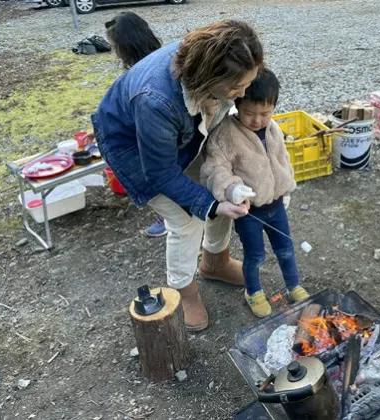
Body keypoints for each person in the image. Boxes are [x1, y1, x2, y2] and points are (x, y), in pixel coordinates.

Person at [91, 20, 264, 331]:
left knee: (224, 188)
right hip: (130, 143)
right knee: (186, 218)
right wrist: (206, 205)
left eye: (248, 83)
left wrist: (220, 194)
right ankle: (185, 292)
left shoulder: (219, 63)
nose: (244, 93)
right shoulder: (155, 99)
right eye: (237, 88)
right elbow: (159, 171)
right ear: (209, 79)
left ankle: (215, 263)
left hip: (185, 127)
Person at [200, 69, 309, 318]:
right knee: (255, 254)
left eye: (265, 113)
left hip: (276, 204)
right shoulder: (227, 133)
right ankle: (253, 291)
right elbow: (215, 167)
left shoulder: (273, 130)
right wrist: (231, 188)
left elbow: (282, 160)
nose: (258, 120)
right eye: (250, 113)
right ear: (238, 103)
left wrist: (285, 187)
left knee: (286, 249)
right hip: (249, 211)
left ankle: (294, 285)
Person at [104, 12, 167, 237]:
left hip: (161, 131)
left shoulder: (144, 72)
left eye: (115, 46)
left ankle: (169, 217)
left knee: (157, 166)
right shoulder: (160, 54)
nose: (115, 52)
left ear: (126, 44)